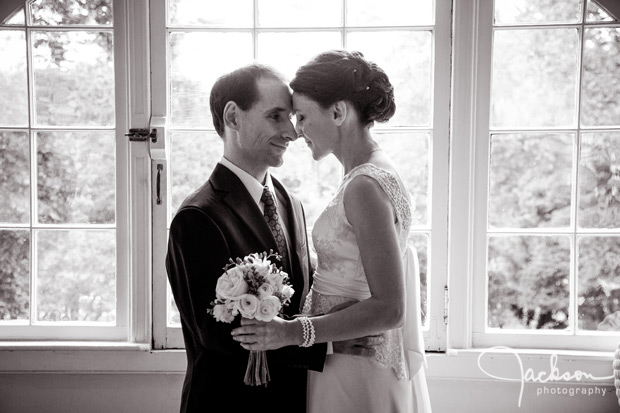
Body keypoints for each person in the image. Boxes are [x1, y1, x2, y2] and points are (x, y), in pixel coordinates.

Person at [231, 50, 432, 412]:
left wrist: (294, 332)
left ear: (338, 112)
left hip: (356, 365)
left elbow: (390, 308)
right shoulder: (366, 174)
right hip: (341, 352)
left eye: (303, 116)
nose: (297, 130)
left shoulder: (364, 186)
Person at [165, 63, 329, 412]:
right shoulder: (197, 217)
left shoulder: (291, 203)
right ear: (233, 117)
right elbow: (218, 335)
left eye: (293, 118)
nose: (292, 132)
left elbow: (303, 297)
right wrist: (329, 341)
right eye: (275, 116)